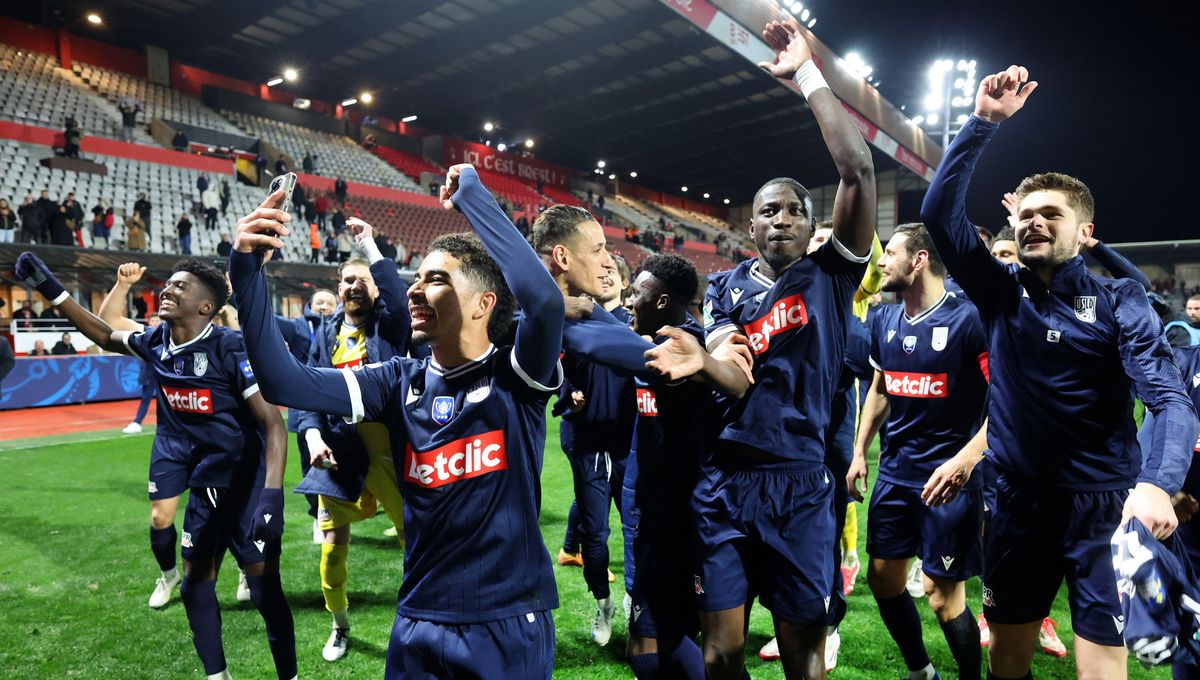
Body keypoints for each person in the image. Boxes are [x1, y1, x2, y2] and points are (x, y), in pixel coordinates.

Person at [228, 164, 566, 678]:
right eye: (416, 278)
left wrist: (473, 197)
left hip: (504, 618)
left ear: (483, 304)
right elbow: (283, 383)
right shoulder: (396, 380)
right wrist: (247, 271)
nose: (412, 290)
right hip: (417, 617)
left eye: (436, 279)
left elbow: (544, 302)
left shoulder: (514, 375)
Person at [920, 63, 1198, 680]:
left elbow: (1172, 402)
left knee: (1102, 668)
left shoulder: (1122, 301)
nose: (1032, 222)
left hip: (1105, 510)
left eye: (1051, 213)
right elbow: (939, 215)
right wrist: (982, 123)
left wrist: (1157, 481)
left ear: (1086, 231)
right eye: (1025, 214)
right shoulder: (999, 290)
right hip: (1017, 504)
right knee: (1008, 661)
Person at [683, 19, 876, 680]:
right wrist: (710, 351)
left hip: (800, 482)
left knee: (803, 654)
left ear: (814, 224)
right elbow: (726, 364)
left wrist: (807, 74)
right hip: (726, 479)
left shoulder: (832, 274)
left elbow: (856, 168)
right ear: (750, 223)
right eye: (769, 210)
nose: (782, 218)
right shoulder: (723, 285)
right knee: (721, 651)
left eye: (795, 209)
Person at [15, 252, 297, 680]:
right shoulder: (157, 341)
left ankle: (289, 675)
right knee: (195, 585)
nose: (167, 289)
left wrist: (272, 496)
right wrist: (48, 286)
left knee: (264, 591)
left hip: (247, 489)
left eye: (181, 286)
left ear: (206, 307)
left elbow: (273, 425)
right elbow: (105, 334)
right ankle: (217, 676)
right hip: (205, 488)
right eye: (169, 284)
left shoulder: (229, 347)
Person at [844, 223, 988, 680]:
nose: (881, 262)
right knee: (884, 579)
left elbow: (1006, 401)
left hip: (949, 482)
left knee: (942, 595)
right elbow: (880, 389)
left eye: (890, 254)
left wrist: (966, 459)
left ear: (919, 259)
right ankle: (921, 671)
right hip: (895, 475)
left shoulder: (970, 320)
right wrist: (859, 451)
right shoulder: (884, 320)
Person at [297, 220, 411, 662]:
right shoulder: (324, 334)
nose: (353, 287)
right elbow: (305, 390)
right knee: (330, 552)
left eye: (363, 280)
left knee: (414, 546)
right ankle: (339, 624)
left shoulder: (391, 326)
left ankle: (421, 620)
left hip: (391, 451)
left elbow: (398, 301)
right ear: (338, 288)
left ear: (376, 288)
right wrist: (310, 434)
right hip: (341, 451)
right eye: (347, 280)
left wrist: (367, 245)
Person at [622, 253, 716, 680]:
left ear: (661, 302)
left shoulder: (691, 348)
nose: (629, 300)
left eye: (636, 294)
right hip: (655, 510)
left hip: (685, 517)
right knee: (655, 636)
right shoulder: (647, 340)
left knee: (662, 637)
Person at [122, 310, 161, 434]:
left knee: (169, 401)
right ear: (149, 322)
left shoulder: (167, 334)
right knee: (146, 398)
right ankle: (137, 422)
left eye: (157, 320)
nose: (155, 323)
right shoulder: (143, 335)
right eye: (153, 320)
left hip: (165, 373)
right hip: (149, 373)